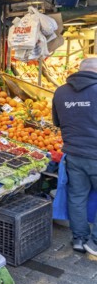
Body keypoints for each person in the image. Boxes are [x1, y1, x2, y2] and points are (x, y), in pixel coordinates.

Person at [52, 57, 97, 255]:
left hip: (73, 153)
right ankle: (95, 243)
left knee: (77, 196)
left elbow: (57, 122)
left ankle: (79, 238)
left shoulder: (61, 92)